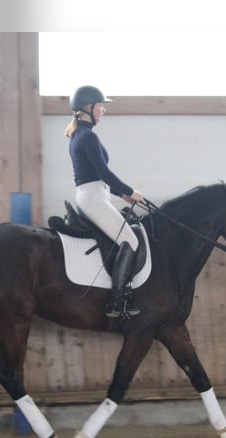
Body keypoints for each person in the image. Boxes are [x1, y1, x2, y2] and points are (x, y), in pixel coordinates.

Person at [65, 85, 145, 318]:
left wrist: (122, 195)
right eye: (101, 106)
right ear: (88, 107)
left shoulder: (80, 134)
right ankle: (117, 301)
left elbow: (95, 177)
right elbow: (104, 173)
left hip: (94, 195)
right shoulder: (88, 136)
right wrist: (131, 191)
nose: (103, 111)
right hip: (93, 198)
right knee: (130, 240)